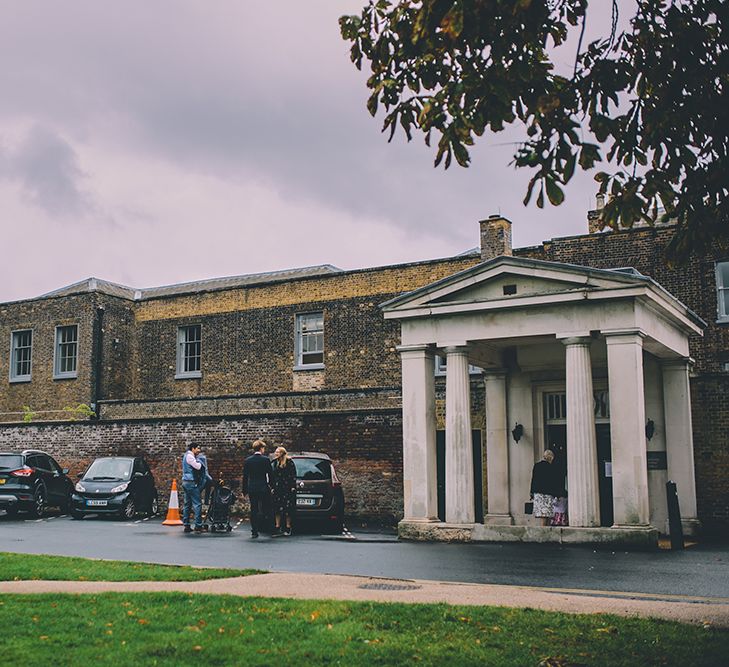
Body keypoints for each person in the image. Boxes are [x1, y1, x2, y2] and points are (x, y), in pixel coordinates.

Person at [242, 439, 273, 538]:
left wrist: (244, 490)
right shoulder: (266, 460)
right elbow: (270, 475)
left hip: (252, 487)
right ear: (261, 448)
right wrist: (272, 486)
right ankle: (268, 528)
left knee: (254, 509)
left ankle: (254, 530)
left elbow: (245, 477)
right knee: (266, 508)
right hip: (263, 487)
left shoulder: (248, 460)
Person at [270, 445, 297, 537]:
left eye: (277, 452)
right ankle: (277, 527)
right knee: (277, 507)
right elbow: (272, 476)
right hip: (277, 488)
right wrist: (272, 487)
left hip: (287, 488)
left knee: (288, 508)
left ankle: (288, 527)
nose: (275, 453)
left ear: (282, 453)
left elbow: (293, 475)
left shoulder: (289, 462)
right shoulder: (274, 463)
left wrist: (293, 486)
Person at [530, 449, 559, 527]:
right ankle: (545, 532)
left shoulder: (537, 465)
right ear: (551, 458)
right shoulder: (552, 467)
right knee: (547, 514)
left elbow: (534, 479)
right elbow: (554, 482)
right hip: (548, 494)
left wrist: (531, 492)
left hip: (538, 493)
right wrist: (556, 494)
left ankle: (544, 531)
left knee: (543, 514)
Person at [181, 443, 204, 533]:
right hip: (191, 482)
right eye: (198, 448)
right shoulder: (190, 457)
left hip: (186, 482)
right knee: (197, 504)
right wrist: (200, 462)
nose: (199, 450)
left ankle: (186, 524)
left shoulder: (186, 456)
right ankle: (198, 525)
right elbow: (198, 467)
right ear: (193, 448)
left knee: (187, 504)